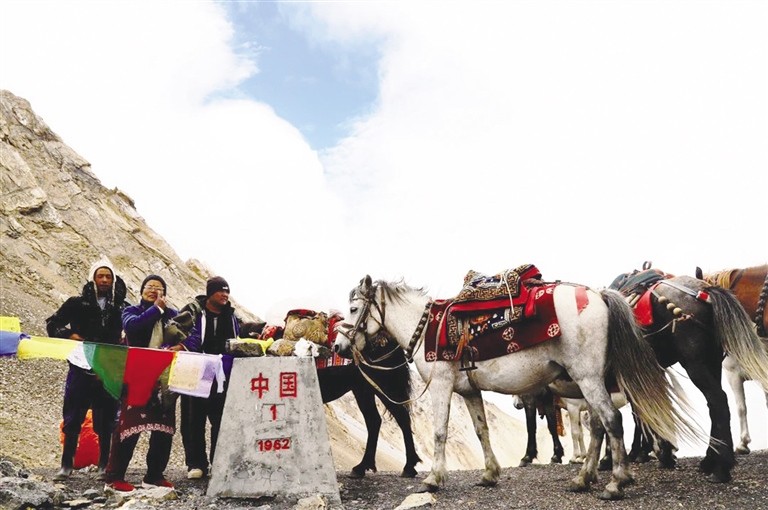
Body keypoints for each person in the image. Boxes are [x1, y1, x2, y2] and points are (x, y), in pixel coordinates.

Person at [104, 275, 198, 492]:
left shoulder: (173, 315)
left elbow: (194, 336)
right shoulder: (131, 311)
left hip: (164, 379)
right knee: (129, 427)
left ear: (165, 293)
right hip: (137, 377)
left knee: (163, 429)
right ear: (141, 291)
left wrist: (182, 347)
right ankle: (114, 477)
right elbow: (133, 328)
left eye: (159, 287)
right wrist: (156, 309)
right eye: (149, 287)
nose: (154, 290)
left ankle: (154, 475)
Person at [46, 257, 129, 481]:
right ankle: (66, 464)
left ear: (114, 280)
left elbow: (133, 330)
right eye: (100, 276)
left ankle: (104, 465)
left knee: (107, 417)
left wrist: (124, 341)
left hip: (108, 368)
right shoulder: (77, 303)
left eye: (108, 276)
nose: (105, 280)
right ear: (93, 278)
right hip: (80, 365)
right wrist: (69, 334)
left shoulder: (122, 307)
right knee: (73, 414)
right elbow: (52, 323)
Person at [180, 276, 242, 479]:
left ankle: (219, 462)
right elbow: (179, 332)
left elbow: (240, 336)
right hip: (196, 368)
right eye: (221, 291)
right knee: (193, 419)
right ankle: (196, 464)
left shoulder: (232, 316)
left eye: (227, 291)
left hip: (222, 372)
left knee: (221, 419)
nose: (225, 295)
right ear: (210, 293)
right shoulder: (193, 311)